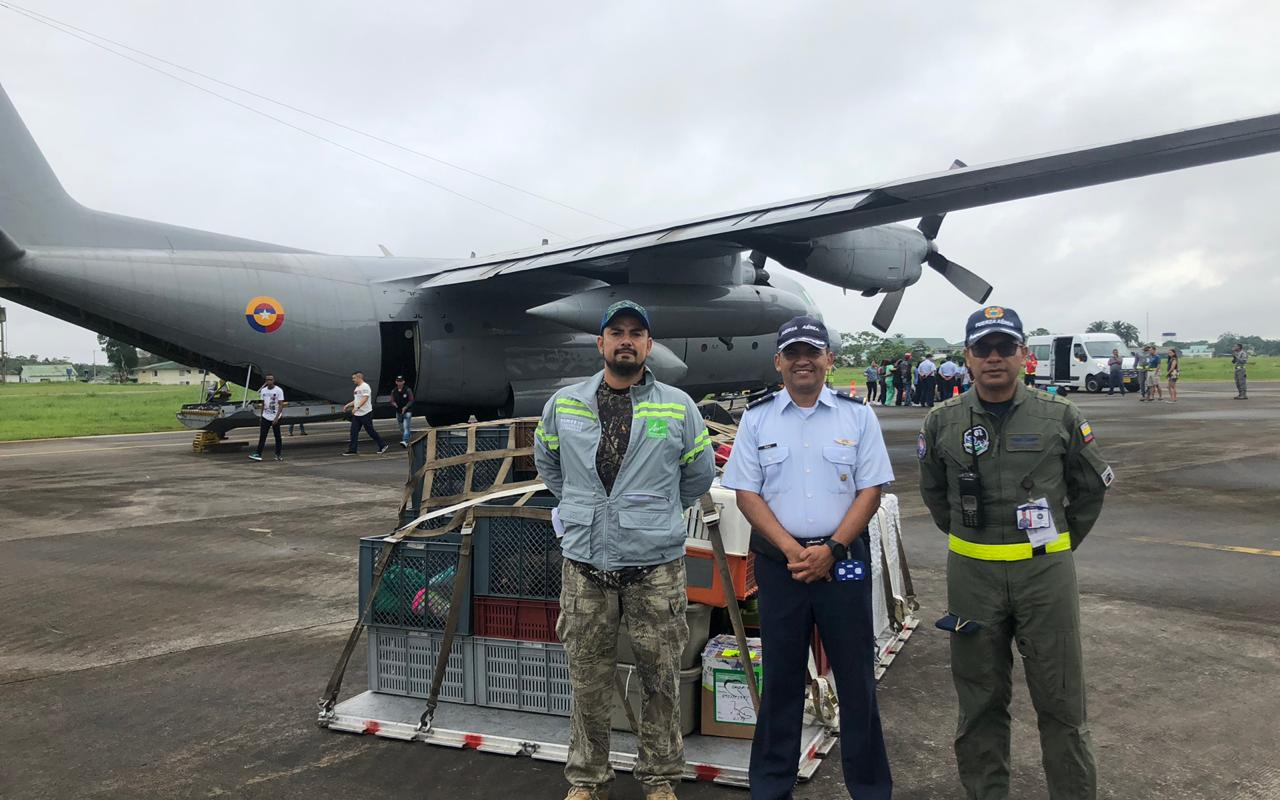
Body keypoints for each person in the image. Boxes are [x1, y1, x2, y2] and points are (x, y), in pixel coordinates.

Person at [918, 305, 1112, 800]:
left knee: (1063, 703)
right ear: (968, 357)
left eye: (1006, 347)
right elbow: (936, 495)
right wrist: (973, 540)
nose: (994, 357)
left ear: (1024, 354)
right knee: (979, 702)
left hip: (1044, 577)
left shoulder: (1061, 415)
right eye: (983, 348)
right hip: (972, 576)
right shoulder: (942, 421)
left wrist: (1054, 547)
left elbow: (1089, 490)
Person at [533, 300, 714, 800]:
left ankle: (659, 780)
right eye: (617, 332)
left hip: (654, 565)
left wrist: (653, 516)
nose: (626, 340)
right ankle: (587, 780)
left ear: (649, 346)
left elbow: (698, 474)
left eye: (637, 333)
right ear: (601, 344)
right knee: (588, 680)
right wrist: (583, 505)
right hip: (585, 562)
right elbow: (547, 462)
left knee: (661, 680)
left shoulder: (678, 406)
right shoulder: (564, 403)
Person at [722, 316, 893, 800]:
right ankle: (771, 789)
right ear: (778, 362)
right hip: (782, 565)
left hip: (842, 560)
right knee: (780, 680)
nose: (803, 361)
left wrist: (832, 549)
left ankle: (871, 789)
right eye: (792, 353)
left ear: (828, 360)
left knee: (857, 681)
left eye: (812, 352)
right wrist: (796, 551)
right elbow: (746, 494)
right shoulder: (757, 418)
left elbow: (871, 489)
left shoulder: (857, 416)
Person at [342, 371, 388, 455]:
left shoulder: (365, 386)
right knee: (354, 431)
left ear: (359, 377)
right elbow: (356, 400)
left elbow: (365, 398)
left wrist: (357, 408)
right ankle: (352, 450)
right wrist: (348, 405)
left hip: (365, 413)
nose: (353, 380)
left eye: (354, 378)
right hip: (357, 414)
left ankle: (383, 445)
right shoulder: (357, 388)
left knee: (370, 431)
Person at [249, 373, 285, 462]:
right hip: (266, 416)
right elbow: (263, 404)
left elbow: (281, 405)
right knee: (262, 436)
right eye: (267, 380)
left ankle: (278, 454)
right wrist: (261, 416)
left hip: (275, 416)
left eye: (270, 380)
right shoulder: (264, 391)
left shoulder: (278, 391)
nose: (269, 381)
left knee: (277, 436)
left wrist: (276, 418)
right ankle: (258, 453)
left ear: (274, 381)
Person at [390, 375, 415, 447]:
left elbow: (411, 400)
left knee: (406, 426)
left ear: (403, 382)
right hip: (398, 411)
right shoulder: (394, 391)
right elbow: (392, 400)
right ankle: (409, 438)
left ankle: (405, 441)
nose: (399, 383)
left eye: (401, 381)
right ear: (396, 382)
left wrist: (406, 407)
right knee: (401, 428)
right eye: (398, 381)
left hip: (407, 411)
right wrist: (394, 404)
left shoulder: (407, 390)